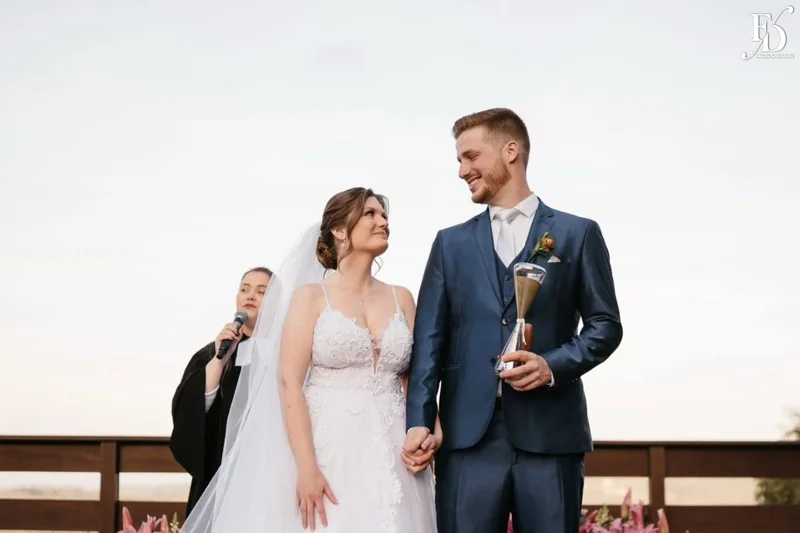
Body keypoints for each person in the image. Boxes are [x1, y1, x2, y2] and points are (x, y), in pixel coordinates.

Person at [403, 108, 623, 533]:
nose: (463, 171)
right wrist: (418, 420)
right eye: (459, 161)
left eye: (470, 157)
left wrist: (551, 365)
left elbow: (605, 325)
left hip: (552, 436)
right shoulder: (450, 245)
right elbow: (428, 341)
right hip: (467, 440)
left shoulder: (578, 234)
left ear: (510, 151)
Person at [180, 187, 438, 533]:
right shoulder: (312, 297)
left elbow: (414, 381)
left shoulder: (402, 297)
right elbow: (289, 382)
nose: (383, 222)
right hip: (329, 449)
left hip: (395, 455)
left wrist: (432, 434)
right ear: (340, 230)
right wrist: (306, 468)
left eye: (384, 215)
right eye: (370, 214)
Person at [169, 266, 273, 516]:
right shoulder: (212, 354)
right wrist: (219, 361)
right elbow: (192, 415)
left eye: (261, 291)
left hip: (269, 468)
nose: (250, 296)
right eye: (244, 289)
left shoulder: (284, 352)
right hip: (222, 469)